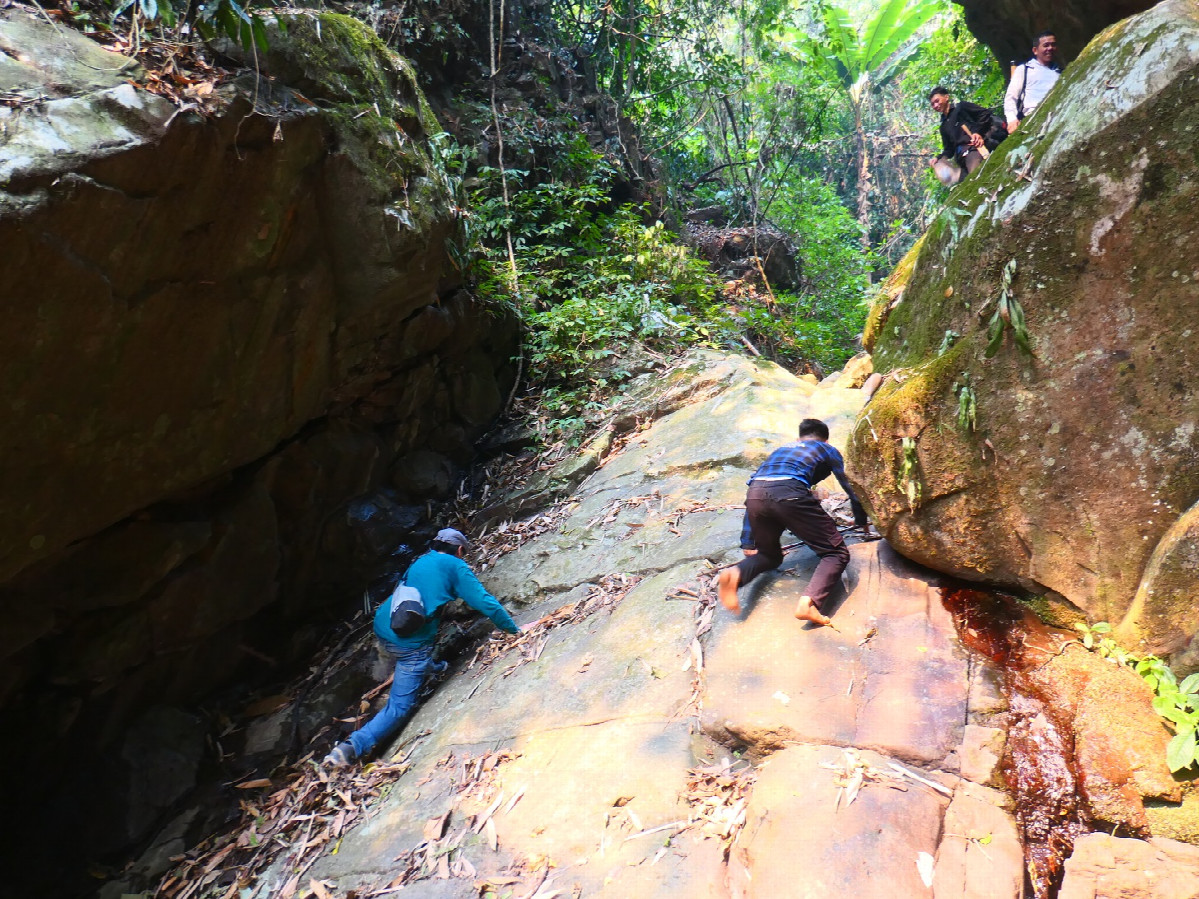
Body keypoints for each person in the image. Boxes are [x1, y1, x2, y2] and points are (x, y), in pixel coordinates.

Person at [323, 527, 521, 767]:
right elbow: (484, 602)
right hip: (409, 646)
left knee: (422, 651)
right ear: (459, 550)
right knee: (399, 706)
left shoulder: (421, 560)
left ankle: (434, 668)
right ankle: (352, 746)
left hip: (384, 626)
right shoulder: (455, 566)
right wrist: (513, 629)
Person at [717, 419, 871, 627]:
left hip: (756, 495)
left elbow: (755, 487)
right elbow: (849, 486)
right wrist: (861, 519)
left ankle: (735, 573)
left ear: (799, 438)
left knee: (769, 556)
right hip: (789, 494)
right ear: (825, 438)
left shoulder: (781, 450)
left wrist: (748, 541)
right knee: (835, 553)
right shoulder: (826, 448)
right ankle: (809, 603)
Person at [928, 86, 1007, 178]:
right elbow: (949, 149)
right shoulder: (943, 127)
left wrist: (977, 133)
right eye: (933, 104)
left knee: (976, 177)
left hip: (974, 149)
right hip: (961, 160)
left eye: (937, 101)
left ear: (946, 97)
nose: (936, 105)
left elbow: (984, 113)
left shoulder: (961, 107)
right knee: (959, 181)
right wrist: (938, 159)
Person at [1004, 31, 1061, 133]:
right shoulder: (1024, 69)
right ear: (1035, 50)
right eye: (1046, 45)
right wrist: (1012, 120)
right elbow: (1010, 97)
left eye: (1053, 45)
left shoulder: (1060, 72)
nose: (1050, 48)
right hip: (1033, 117)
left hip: (1058, 114)